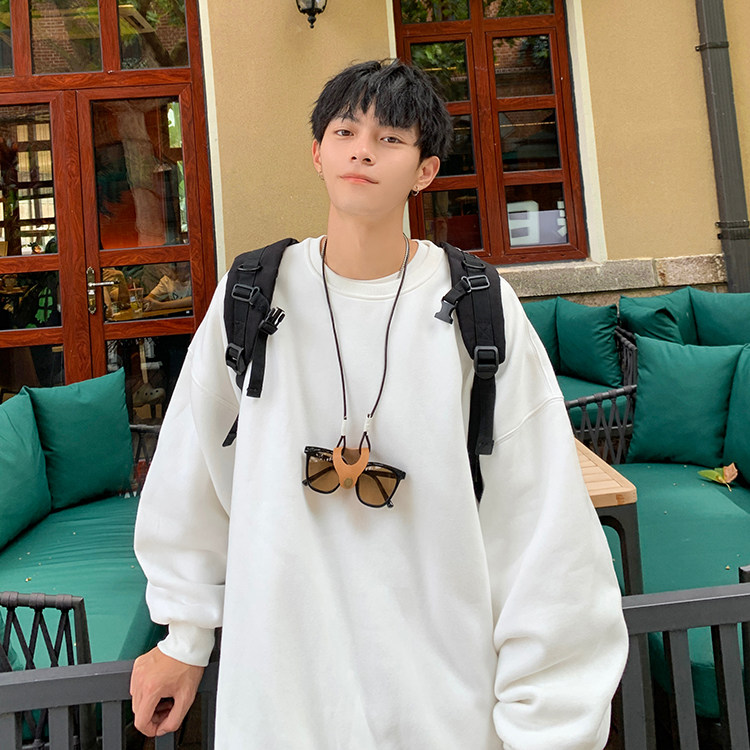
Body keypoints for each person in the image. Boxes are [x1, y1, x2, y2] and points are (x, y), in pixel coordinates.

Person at [131, 59, 628, 749]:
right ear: (317, 152)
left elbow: (543, 529)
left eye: (390, 137)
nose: (362, 150)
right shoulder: (251, 296)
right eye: (345, 131)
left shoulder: (479, 309)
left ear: (425, 171)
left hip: (443, 710)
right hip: (280, 704)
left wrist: (548, 727)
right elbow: (192, 477)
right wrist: (184, 636)